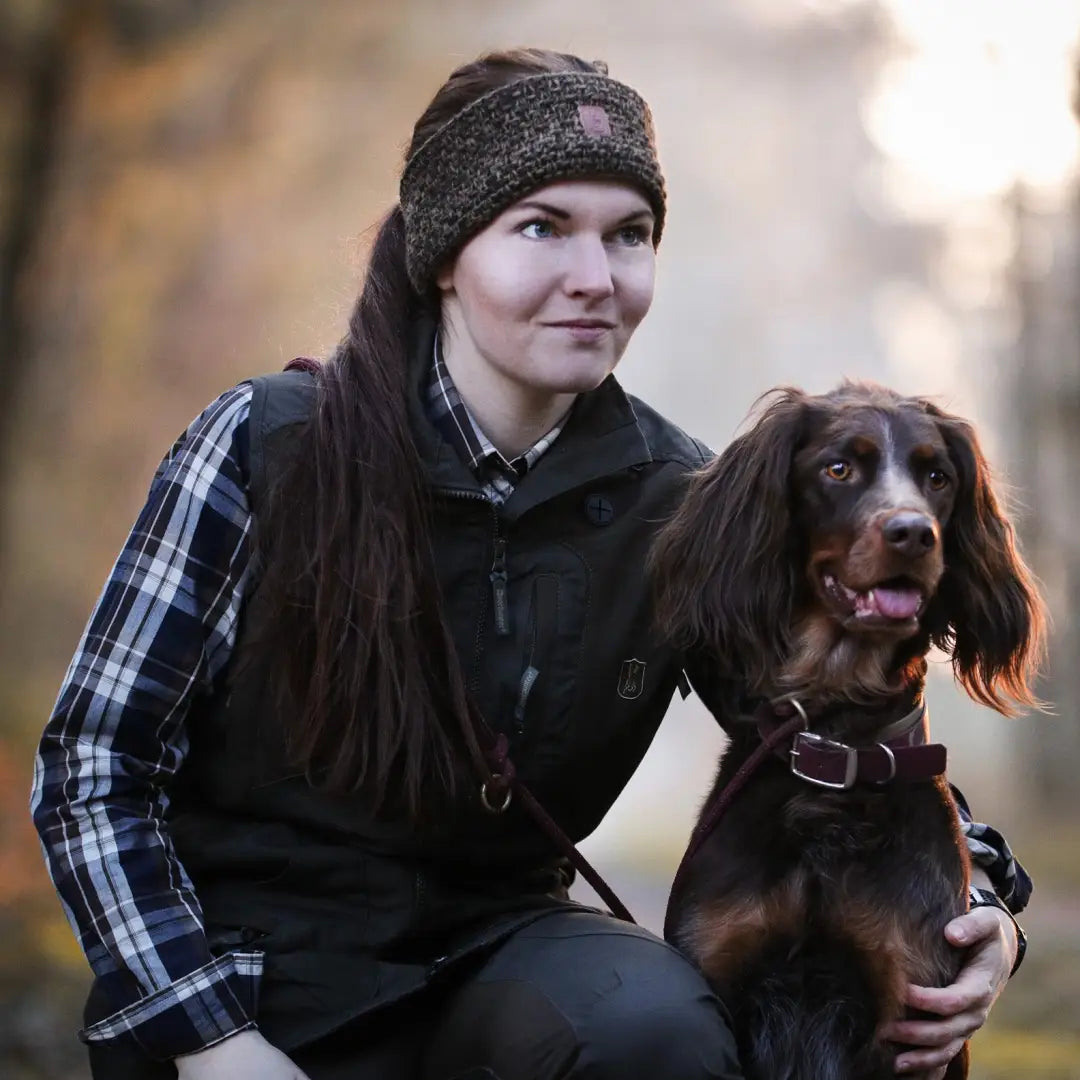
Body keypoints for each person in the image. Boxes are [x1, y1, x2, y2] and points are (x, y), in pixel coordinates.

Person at [30, 48, 1030, 1080]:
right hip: (248, 971)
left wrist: (987, 905)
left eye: (629, 235)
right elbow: (94, 767)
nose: (594, 279)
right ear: (446, 253)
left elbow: (825, 741)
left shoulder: (676, 505)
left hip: (501, 960)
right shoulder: (262, 443)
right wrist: (210, 1039)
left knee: (657, 1031)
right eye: (542, 228)